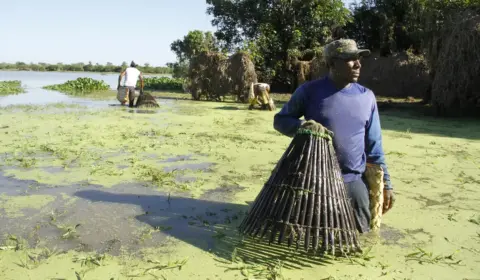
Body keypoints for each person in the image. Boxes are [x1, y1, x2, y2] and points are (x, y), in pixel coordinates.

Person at [273, 39, 395, 234]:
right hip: (315, 183)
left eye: (359, 58)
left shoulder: (367, 97)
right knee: (310, 236)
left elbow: (374, 147)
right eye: (350, 59)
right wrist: (303, 126)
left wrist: (386, 184)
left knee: (360, 236)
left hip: (353, 183)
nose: (358, 64)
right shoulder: (309, 91)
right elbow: (281, 120)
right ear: (331, 64)